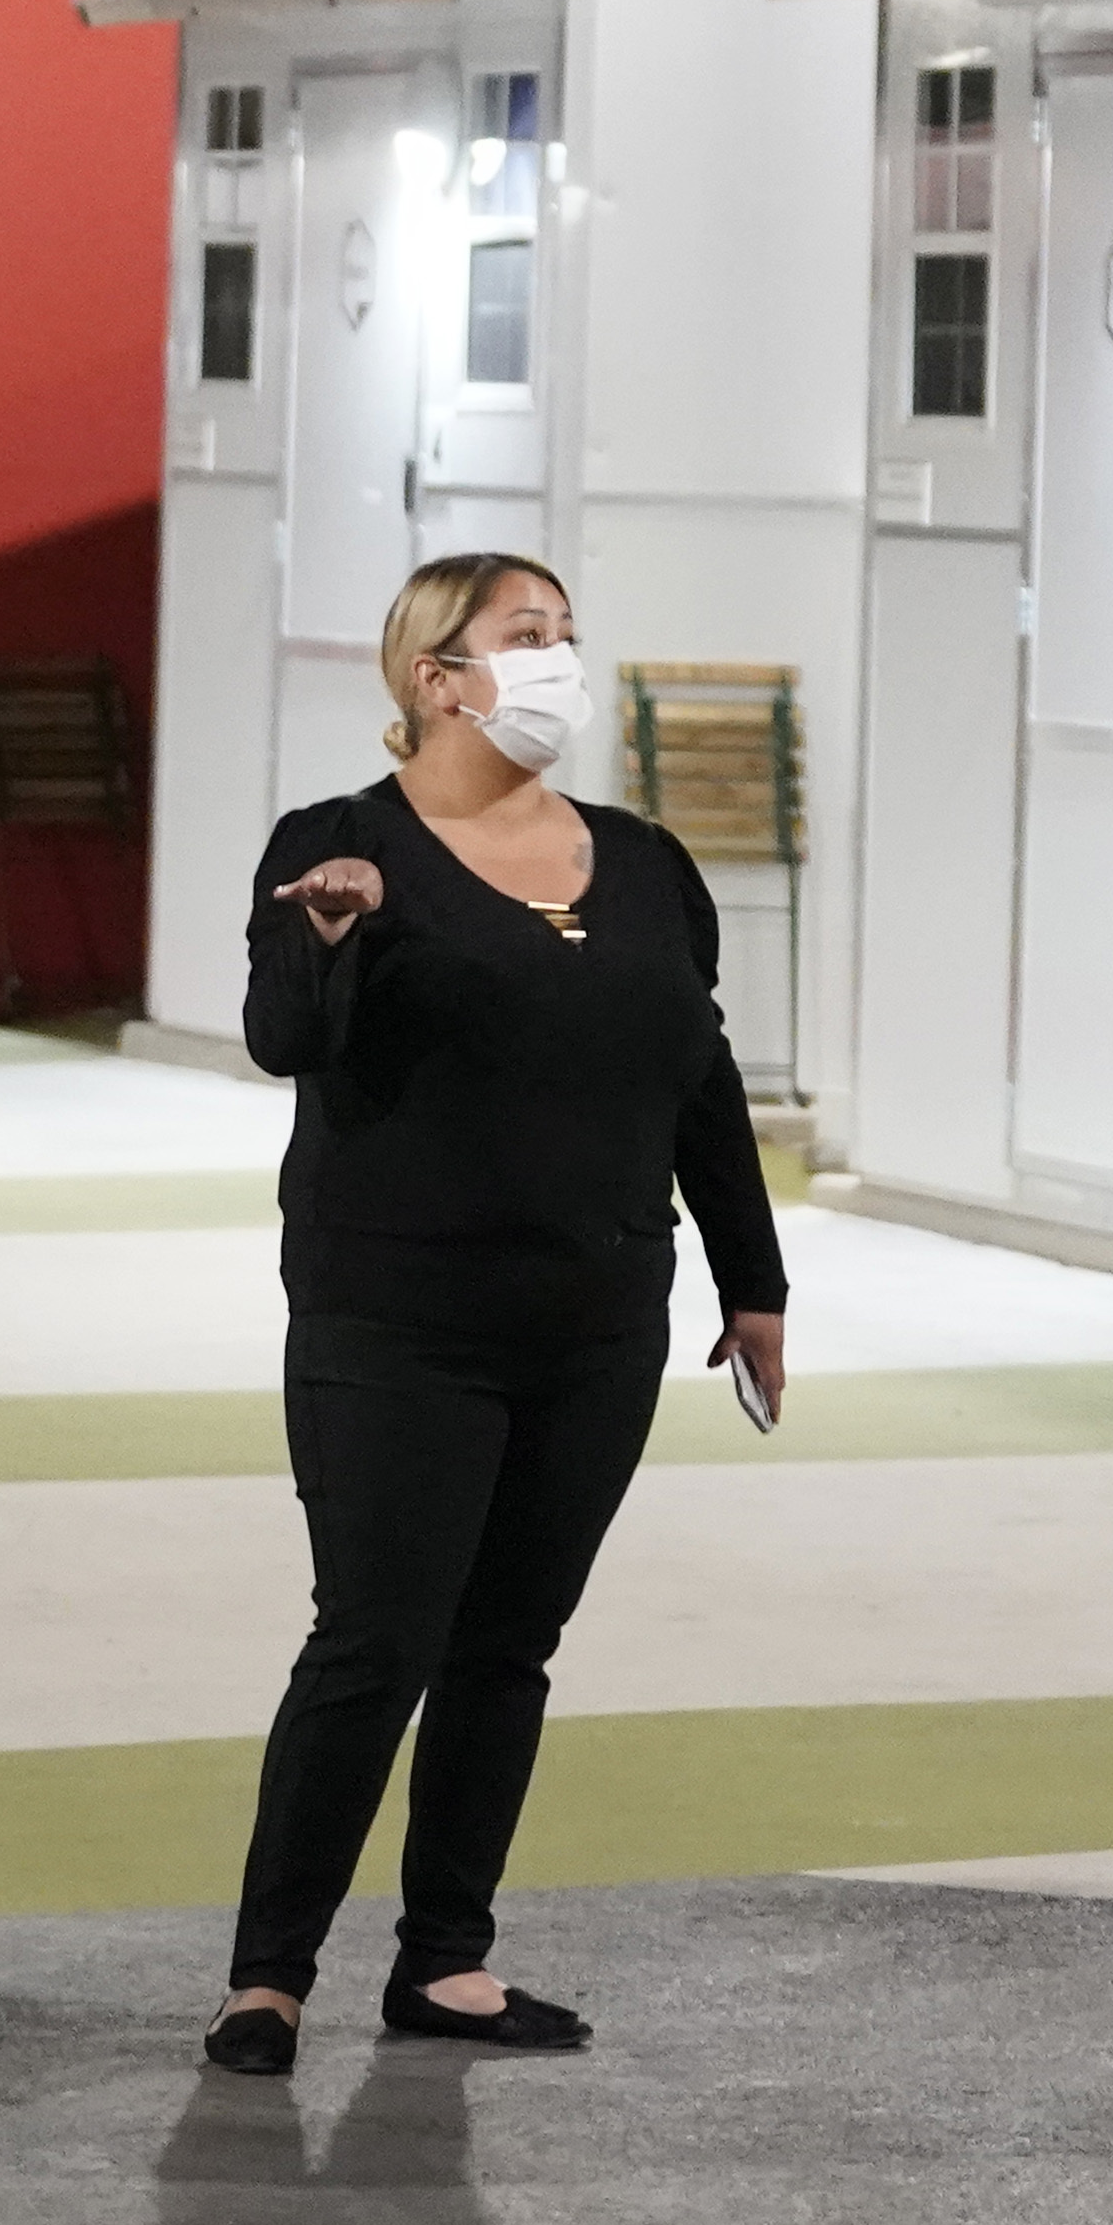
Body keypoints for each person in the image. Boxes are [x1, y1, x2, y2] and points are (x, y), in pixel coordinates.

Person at [205, 551, 790, 2077]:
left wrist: (754, 1280)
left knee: (508, 1644)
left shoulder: (647, 863)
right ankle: (268, 1978)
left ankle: (446, 1959)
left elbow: (699, 1078)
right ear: (434, 677)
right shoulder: (339, 845)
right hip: (395, 1323)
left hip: (599, 1322)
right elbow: (283, 1041)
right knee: (373, 1642)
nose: (559, 663)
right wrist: (330, 938)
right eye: (526, 637)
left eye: (568, 636)